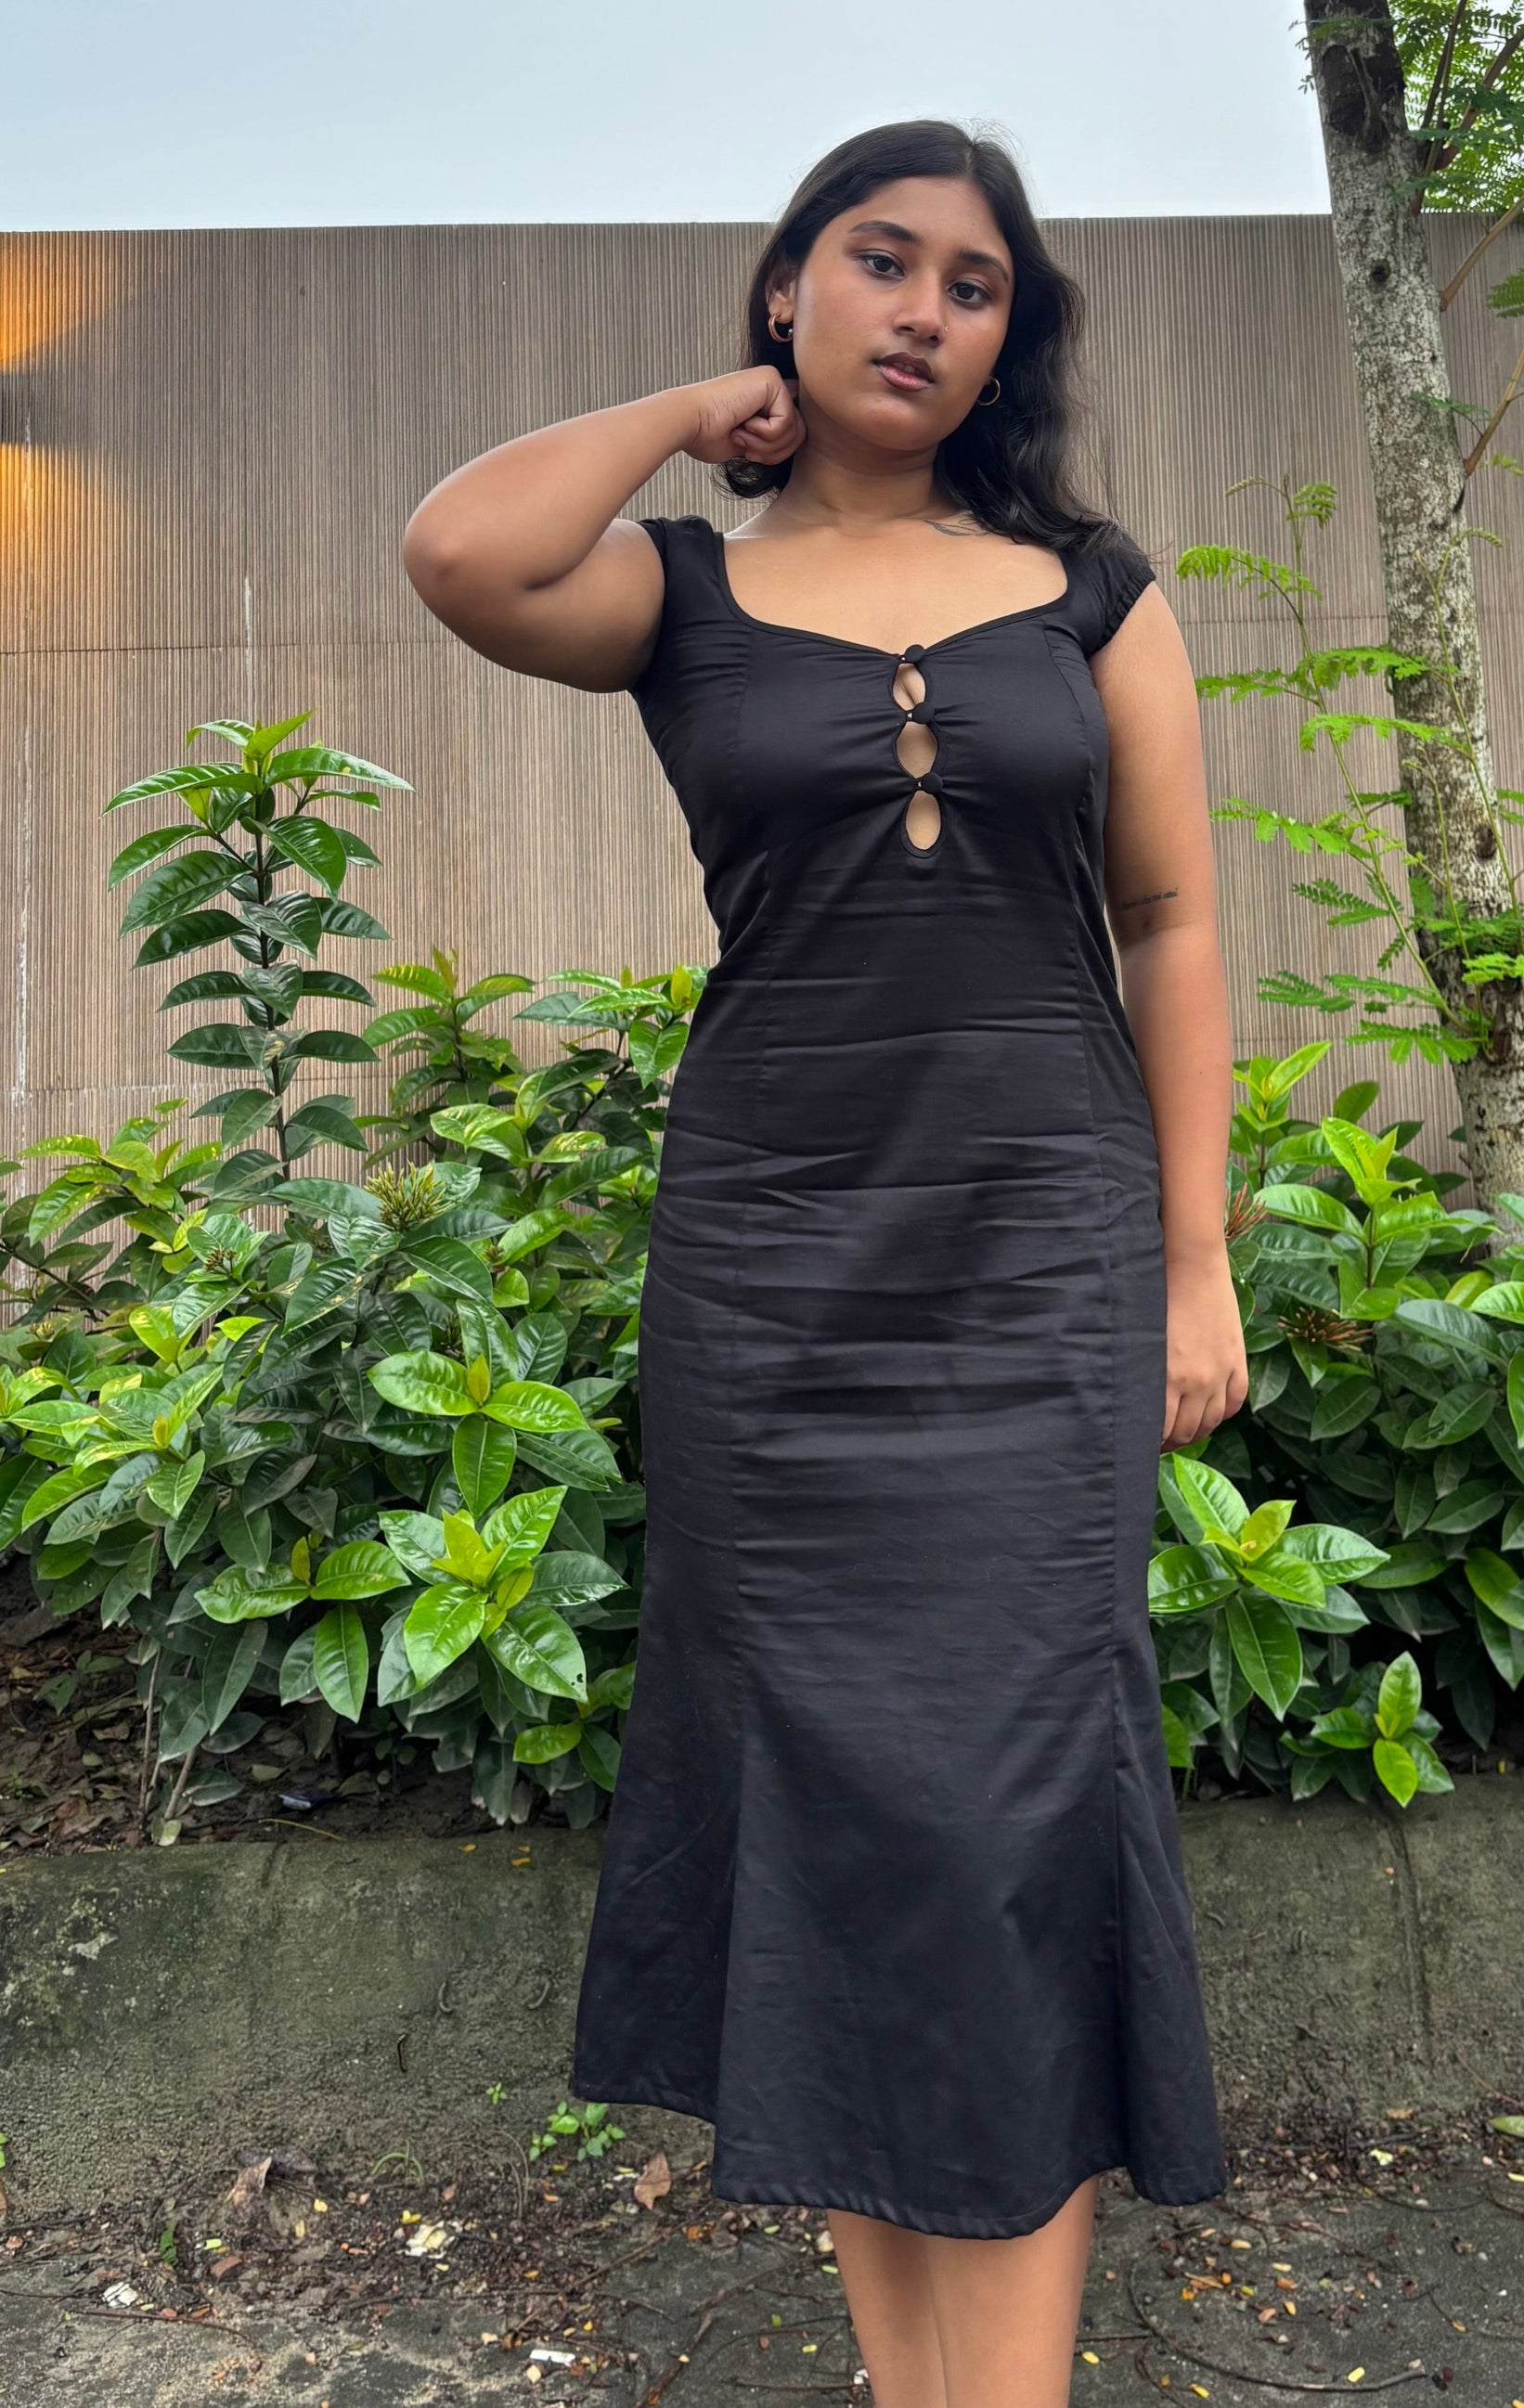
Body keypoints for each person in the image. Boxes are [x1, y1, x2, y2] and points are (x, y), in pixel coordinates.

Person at [402, 115, 1246, 2408]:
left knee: (1012, 1822)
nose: (925, 312)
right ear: (791, 282)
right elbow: (463, 547)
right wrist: (700, 411)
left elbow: (1170, 919)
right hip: (775, 1286)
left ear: (1007, 338)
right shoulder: (675, 593)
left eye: (975, 285)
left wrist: (1193, 1259)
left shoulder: (1088, 591)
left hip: (1040, 1268)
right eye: (882, 259)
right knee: (855, 1838)